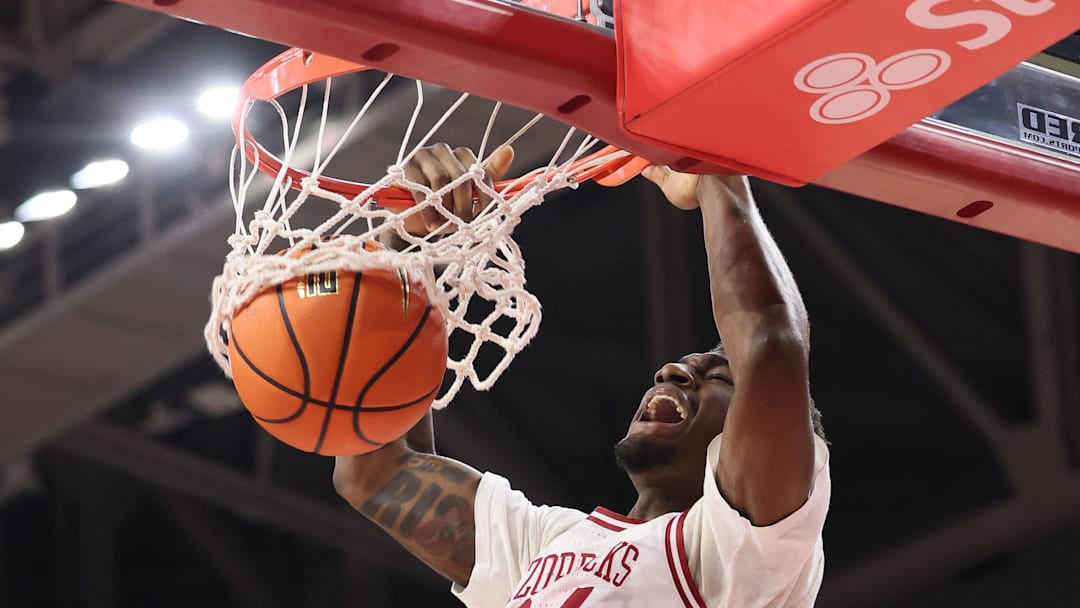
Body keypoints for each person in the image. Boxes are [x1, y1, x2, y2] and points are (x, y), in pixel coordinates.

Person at [334, 143, 830, 607]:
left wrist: (714, 172)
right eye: (687, 365)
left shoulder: (747, 552)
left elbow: (770, 348)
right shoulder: (543, 546)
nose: (674, 370)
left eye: (717, 376)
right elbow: (373, 472)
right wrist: (407, 261)